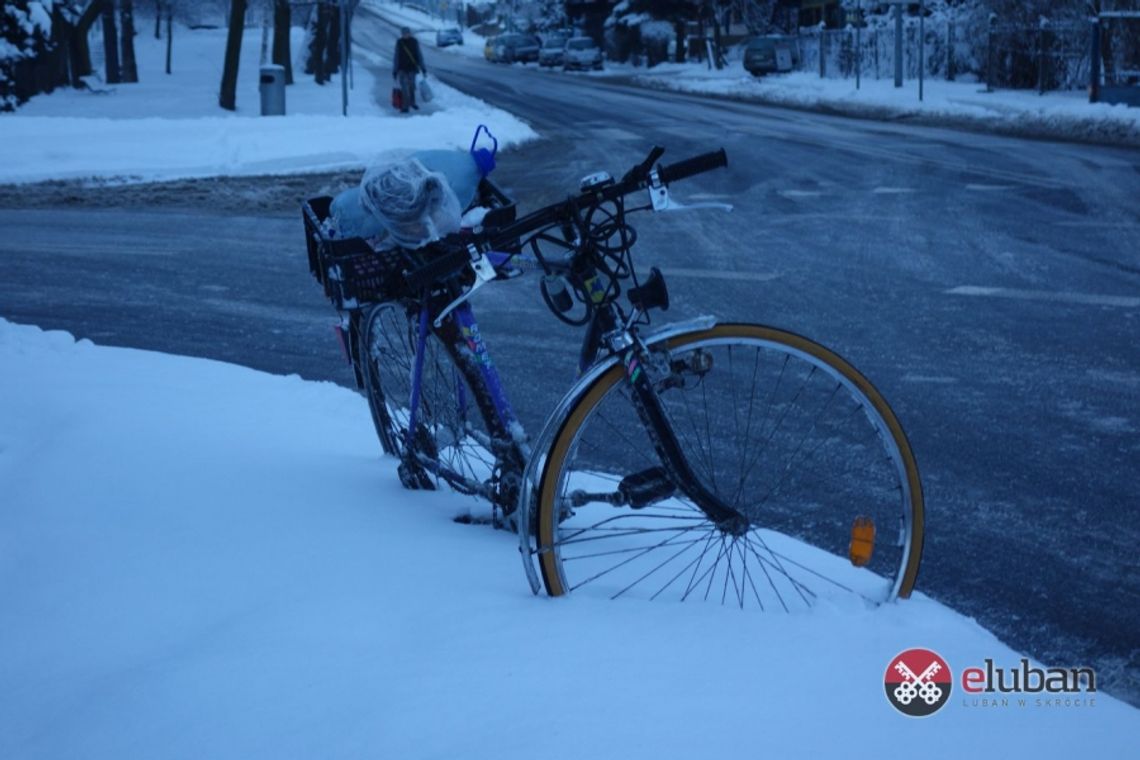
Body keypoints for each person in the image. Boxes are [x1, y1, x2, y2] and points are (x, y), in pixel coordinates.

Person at [392, 27, 425, 114]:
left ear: (410, 33)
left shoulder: (414, 42)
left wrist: (423, 68)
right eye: (403, 34)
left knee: (412, 87)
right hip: (402, 69)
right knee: (404, 88)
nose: (405, 35)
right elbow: (396, 57)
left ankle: (412, 102)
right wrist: (395, 70)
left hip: (412, 68)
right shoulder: (399, 43)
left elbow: (419, 55)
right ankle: (405, 106)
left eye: (407, 33)